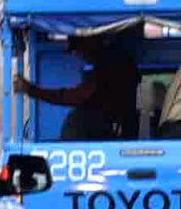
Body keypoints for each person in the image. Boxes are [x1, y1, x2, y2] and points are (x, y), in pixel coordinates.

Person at [12, 34, 140, 141]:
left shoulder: (110, 63)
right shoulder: (111, 60)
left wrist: (32, 90)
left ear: (89, 42)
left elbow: (76, 97)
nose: (78, 54)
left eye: (77, 49)